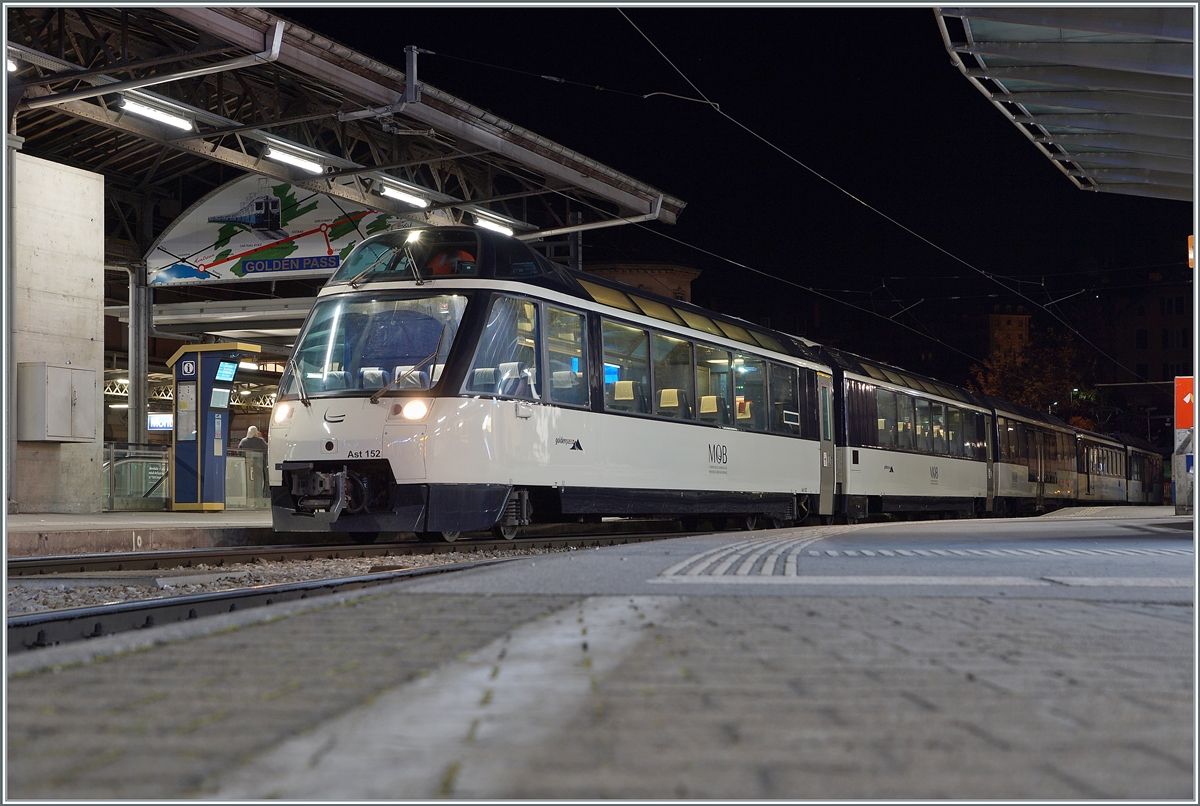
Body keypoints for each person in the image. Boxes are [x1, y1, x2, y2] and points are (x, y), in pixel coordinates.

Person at [238, 426, 269, 500]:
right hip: (259, 464)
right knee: (258, 482)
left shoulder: (243, 441)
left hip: (246, 465)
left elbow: (239, 452)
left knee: (247, 482)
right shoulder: (260, 441)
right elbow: (267, 449)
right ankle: (258, 498)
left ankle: (248, 498)